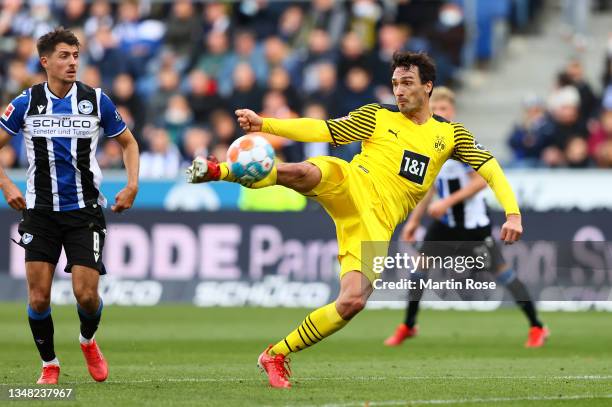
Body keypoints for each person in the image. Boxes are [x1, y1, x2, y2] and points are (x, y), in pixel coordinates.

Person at [186, 51, 523, 389]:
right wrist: (265, 124)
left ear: (428, 87)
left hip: (375, 224)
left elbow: (490, 168)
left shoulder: (450, 135)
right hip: (351, 183)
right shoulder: (378, 116)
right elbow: (323, 129)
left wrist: (512, 213)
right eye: (395, 84)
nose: (400, 91)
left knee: (351, 302)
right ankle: (221, 170)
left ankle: (276, 354)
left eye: (407, 83)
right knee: (303, 171)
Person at [0, 27, 140, 385]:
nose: (73, 62)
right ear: (45, 61)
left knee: (87, 295)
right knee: (38, 296)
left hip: (84, 211)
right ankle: (49, 364)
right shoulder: (27, 102)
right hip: (40, 212)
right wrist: (6, 184)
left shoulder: (96, 100)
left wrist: (132, 184)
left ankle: (88, 341)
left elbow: (128, 143)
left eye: (76, 55)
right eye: (64, 56)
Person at [383, 87, 549, 348]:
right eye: (435, 109)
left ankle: (537, 327)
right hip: (446, 224)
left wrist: (447, 202)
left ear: (453, 112)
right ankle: (408, 325)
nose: (439, 113)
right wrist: (414, 221)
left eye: (444, 109)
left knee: (503, 273)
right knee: (419, 269)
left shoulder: (459, 142)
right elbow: (428, 188)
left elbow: (481, 182)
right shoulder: (428, 143)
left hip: (473, 228)